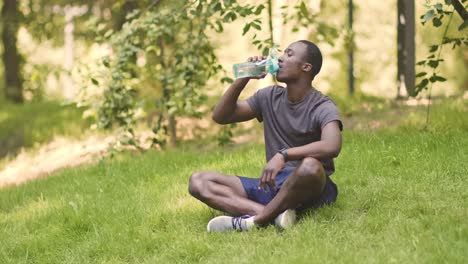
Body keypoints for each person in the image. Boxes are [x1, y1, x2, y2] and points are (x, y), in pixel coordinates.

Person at [188, 40, 343, 232]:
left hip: (307, 187)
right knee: (199, 181)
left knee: (310, 166)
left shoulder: (322, 106)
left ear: (306, 67)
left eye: (289, 54)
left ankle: (253, 221)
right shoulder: (269, 97)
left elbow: (332, 146)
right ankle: (273, 215)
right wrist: (244, 77)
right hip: (272, 186)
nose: (280, 58)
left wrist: (284, 155)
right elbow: (221, 116)